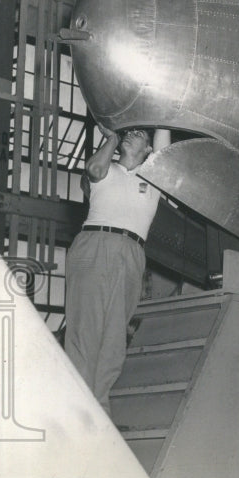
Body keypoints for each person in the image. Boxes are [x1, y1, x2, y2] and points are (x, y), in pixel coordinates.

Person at [64, 125, 171, 414]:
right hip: (95, 243)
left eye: (138, 134)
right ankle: (76, 406)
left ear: (148, 149)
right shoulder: (106, 169)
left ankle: (97, 409)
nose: (130, 134)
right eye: (128, 132)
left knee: (114, 335)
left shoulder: (154, 177)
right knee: (85, 329)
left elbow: (165, 148)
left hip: (132, 251)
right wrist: (111, 136)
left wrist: (161, 115)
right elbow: (95, 169)